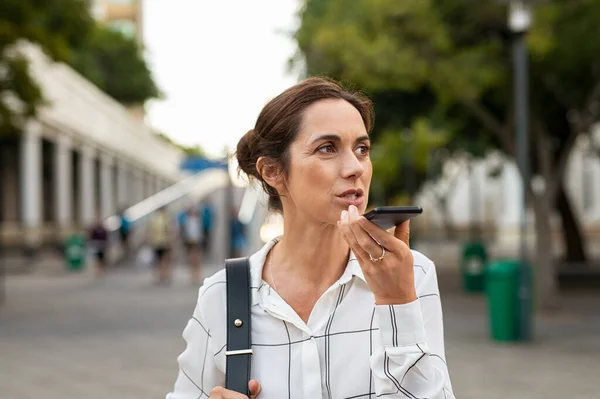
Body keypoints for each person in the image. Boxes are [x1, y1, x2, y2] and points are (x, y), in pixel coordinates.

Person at [166, 77, 455, 398]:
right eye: (327, 148)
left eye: (362, 148)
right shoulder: (223, 296)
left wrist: (397, 303)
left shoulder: (412, 276)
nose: (355, 167)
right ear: (273, 172)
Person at [148, 206, 174, 285]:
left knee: (159, 260)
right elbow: (170, 230)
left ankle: (161, 276)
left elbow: (150, 231)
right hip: (164, 241)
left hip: (157, 242)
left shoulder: (153, 219)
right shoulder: (166, 218)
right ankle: (165, 275)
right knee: (165, 260)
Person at [181, 206, 203, 285]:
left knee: (197, 259)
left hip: (196, 241)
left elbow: (200, 232)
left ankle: (197, 275)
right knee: (191, 259)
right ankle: (193, 275)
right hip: (189, 241)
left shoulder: (198, 220)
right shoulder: (187, 221)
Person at [88, 215, 109, 279]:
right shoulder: (94, 229)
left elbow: (106, 237)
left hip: (102, 245)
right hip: (96, 245)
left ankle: (102, 271)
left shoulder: (103, 229)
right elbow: (91, 237)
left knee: (102, 259)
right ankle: (97, 271)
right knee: (96, 259)